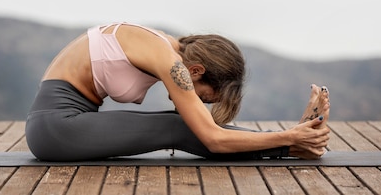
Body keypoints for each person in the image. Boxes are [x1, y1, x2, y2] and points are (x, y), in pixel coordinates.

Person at [25, 22, 330, 161]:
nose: (197, 102)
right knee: (181, 125)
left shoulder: (164, 46)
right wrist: (288, 136)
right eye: (203, 96)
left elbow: (207, 129)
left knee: (186, 123)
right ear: (196, 71)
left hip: (62, 125)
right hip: (55, 128)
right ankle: (294, 145)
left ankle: (294, 144)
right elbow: (212, 138)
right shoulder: (170, 61)